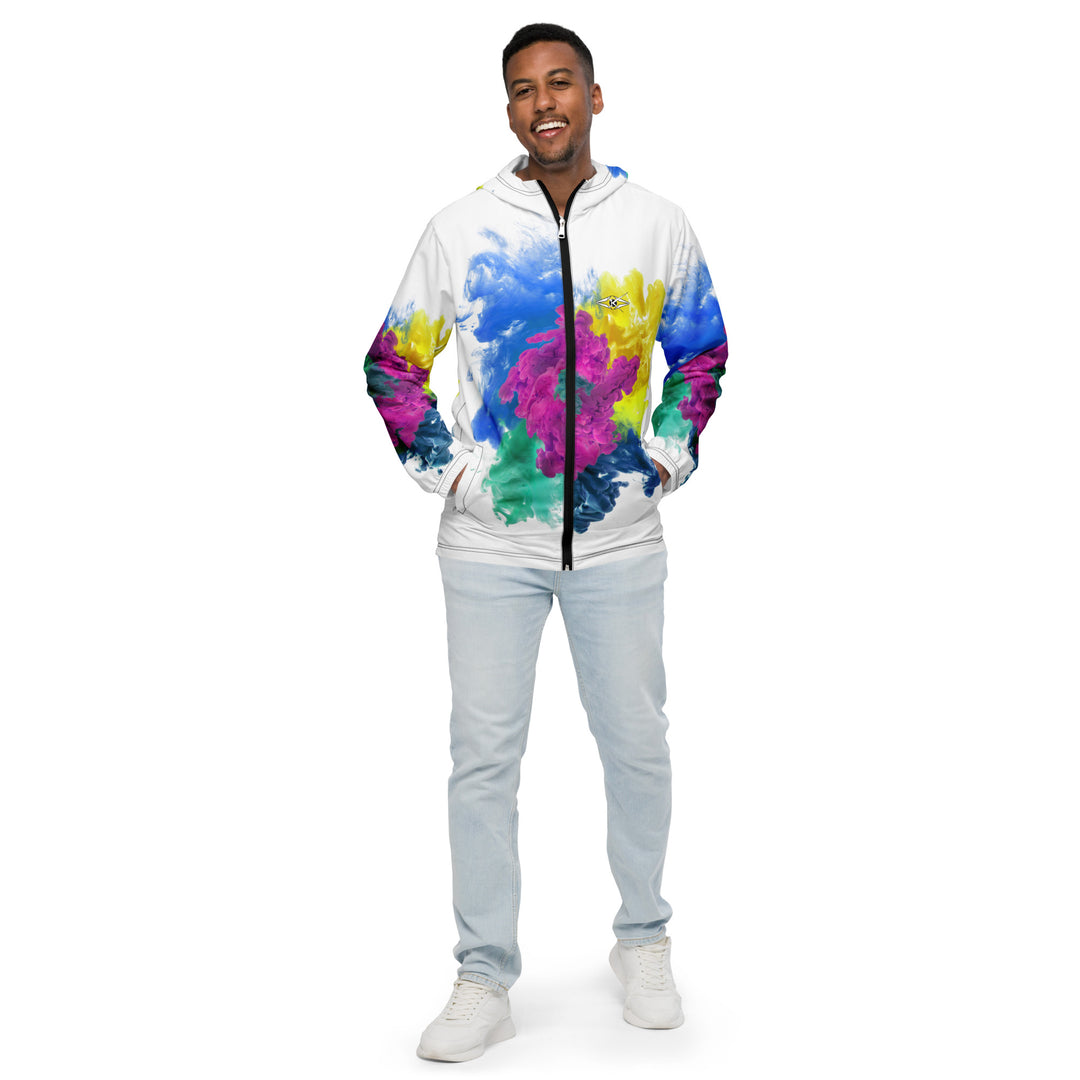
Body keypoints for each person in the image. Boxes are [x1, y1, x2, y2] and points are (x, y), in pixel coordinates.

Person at [364, 23, 728, 1063]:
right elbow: (392, 365)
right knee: (483, 759)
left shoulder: (655, 223)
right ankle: (484, 975)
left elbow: (701, 353)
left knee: (637, 744)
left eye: (561, 82)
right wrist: (458, 477)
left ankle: (643, 939)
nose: (544, 103)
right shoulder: (460, 227)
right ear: (510, 110)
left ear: (595, 97)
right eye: (524, 90)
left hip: (621, 543)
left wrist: (663, 460)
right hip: (489, 551)